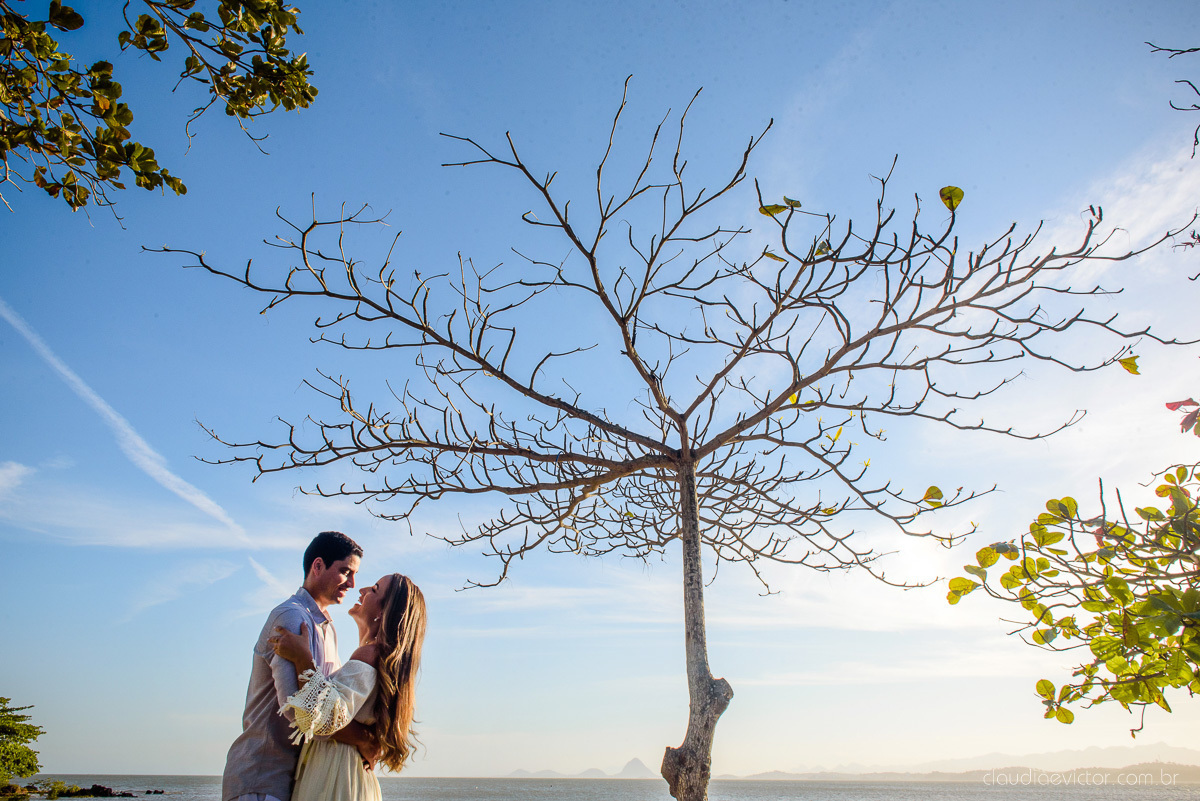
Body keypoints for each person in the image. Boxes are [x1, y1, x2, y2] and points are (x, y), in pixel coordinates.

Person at [222, 531, 368, 801]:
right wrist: (362, 740)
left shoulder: (327, 628)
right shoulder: (291, 616)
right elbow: (298, 712)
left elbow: (325, 701)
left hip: (293, 782)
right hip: (261, 779)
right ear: (318, 566)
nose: (352, 583)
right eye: (345, 571)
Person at [268, 573, 427, 801]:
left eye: (374, 589)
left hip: (335, 775)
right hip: (348, 774)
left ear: (385, 611)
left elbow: (324, 719)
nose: (361, 590)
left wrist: (301, 657)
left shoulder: (369, 654)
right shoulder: (378, 659)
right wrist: (364, 739)